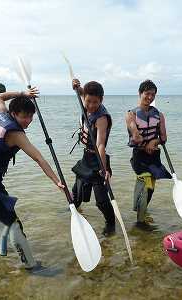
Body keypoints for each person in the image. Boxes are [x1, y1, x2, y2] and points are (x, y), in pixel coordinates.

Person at [0, 87, 64, 271]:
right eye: (24, 117)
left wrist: (22, 94)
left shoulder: (0, 113)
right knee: (13, 223)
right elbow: (39, 158)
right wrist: (56, 181)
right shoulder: (16, 134)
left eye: (31, 117)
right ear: (14, 114)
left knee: (1, 207)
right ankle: (31, 266)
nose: (28, 121)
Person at [70, 79, 116, 236]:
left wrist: (104, 169)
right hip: (86, 157)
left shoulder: (101, 118)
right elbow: (82, 92)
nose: (90, 105)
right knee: (77, 191)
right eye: (88, 101)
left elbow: (100, 145)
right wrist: (76, 85)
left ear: (101, 100)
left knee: (101, 200)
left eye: (95, 102)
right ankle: (73, 213)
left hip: (99, 159)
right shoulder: (85, 98)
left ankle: (111, 224)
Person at [125, 80, 171, 229]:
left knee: (150, 188)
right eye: (147, 93)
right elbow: (135, 133)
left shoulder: (159, 115)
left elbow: (163, 138)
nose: (150, 97)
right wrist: (142, 140)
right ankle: (140, 222)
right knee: (145, 186)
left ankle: (141, 210)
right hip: (140, 156)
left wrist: (154, 142)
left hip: (154, 157)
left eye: (153, 94)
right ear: (140, 93)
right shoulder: (131, 115)